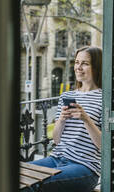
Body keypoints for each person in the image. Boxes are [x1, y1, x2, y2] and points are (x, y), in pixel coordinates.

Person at [29, 46, 102, 192]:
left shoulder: (105, 98)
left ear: (97, 67)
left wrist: (86, 119)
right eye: (76, 62)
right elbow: (56, 140)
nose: (78, 68)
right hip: (56, 159)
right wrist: (61, 120)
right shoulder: (66, 96)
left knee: (34, 184)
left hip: (85, 167)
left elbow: (103, 145)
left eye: (85, 63)